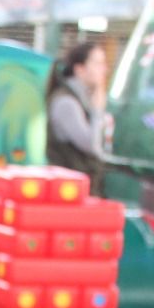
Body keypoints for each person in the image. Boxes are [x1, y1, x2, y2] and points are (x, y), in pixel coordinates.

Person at [46, 42, 108, 194]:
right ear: (79, 69)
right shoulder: (66, 102)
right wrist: (97, 111)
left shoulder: (82, 99)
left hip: (79, 189)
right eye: (98, 63)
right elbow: (91, 146)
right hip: (69, 191)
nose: (104, 69)